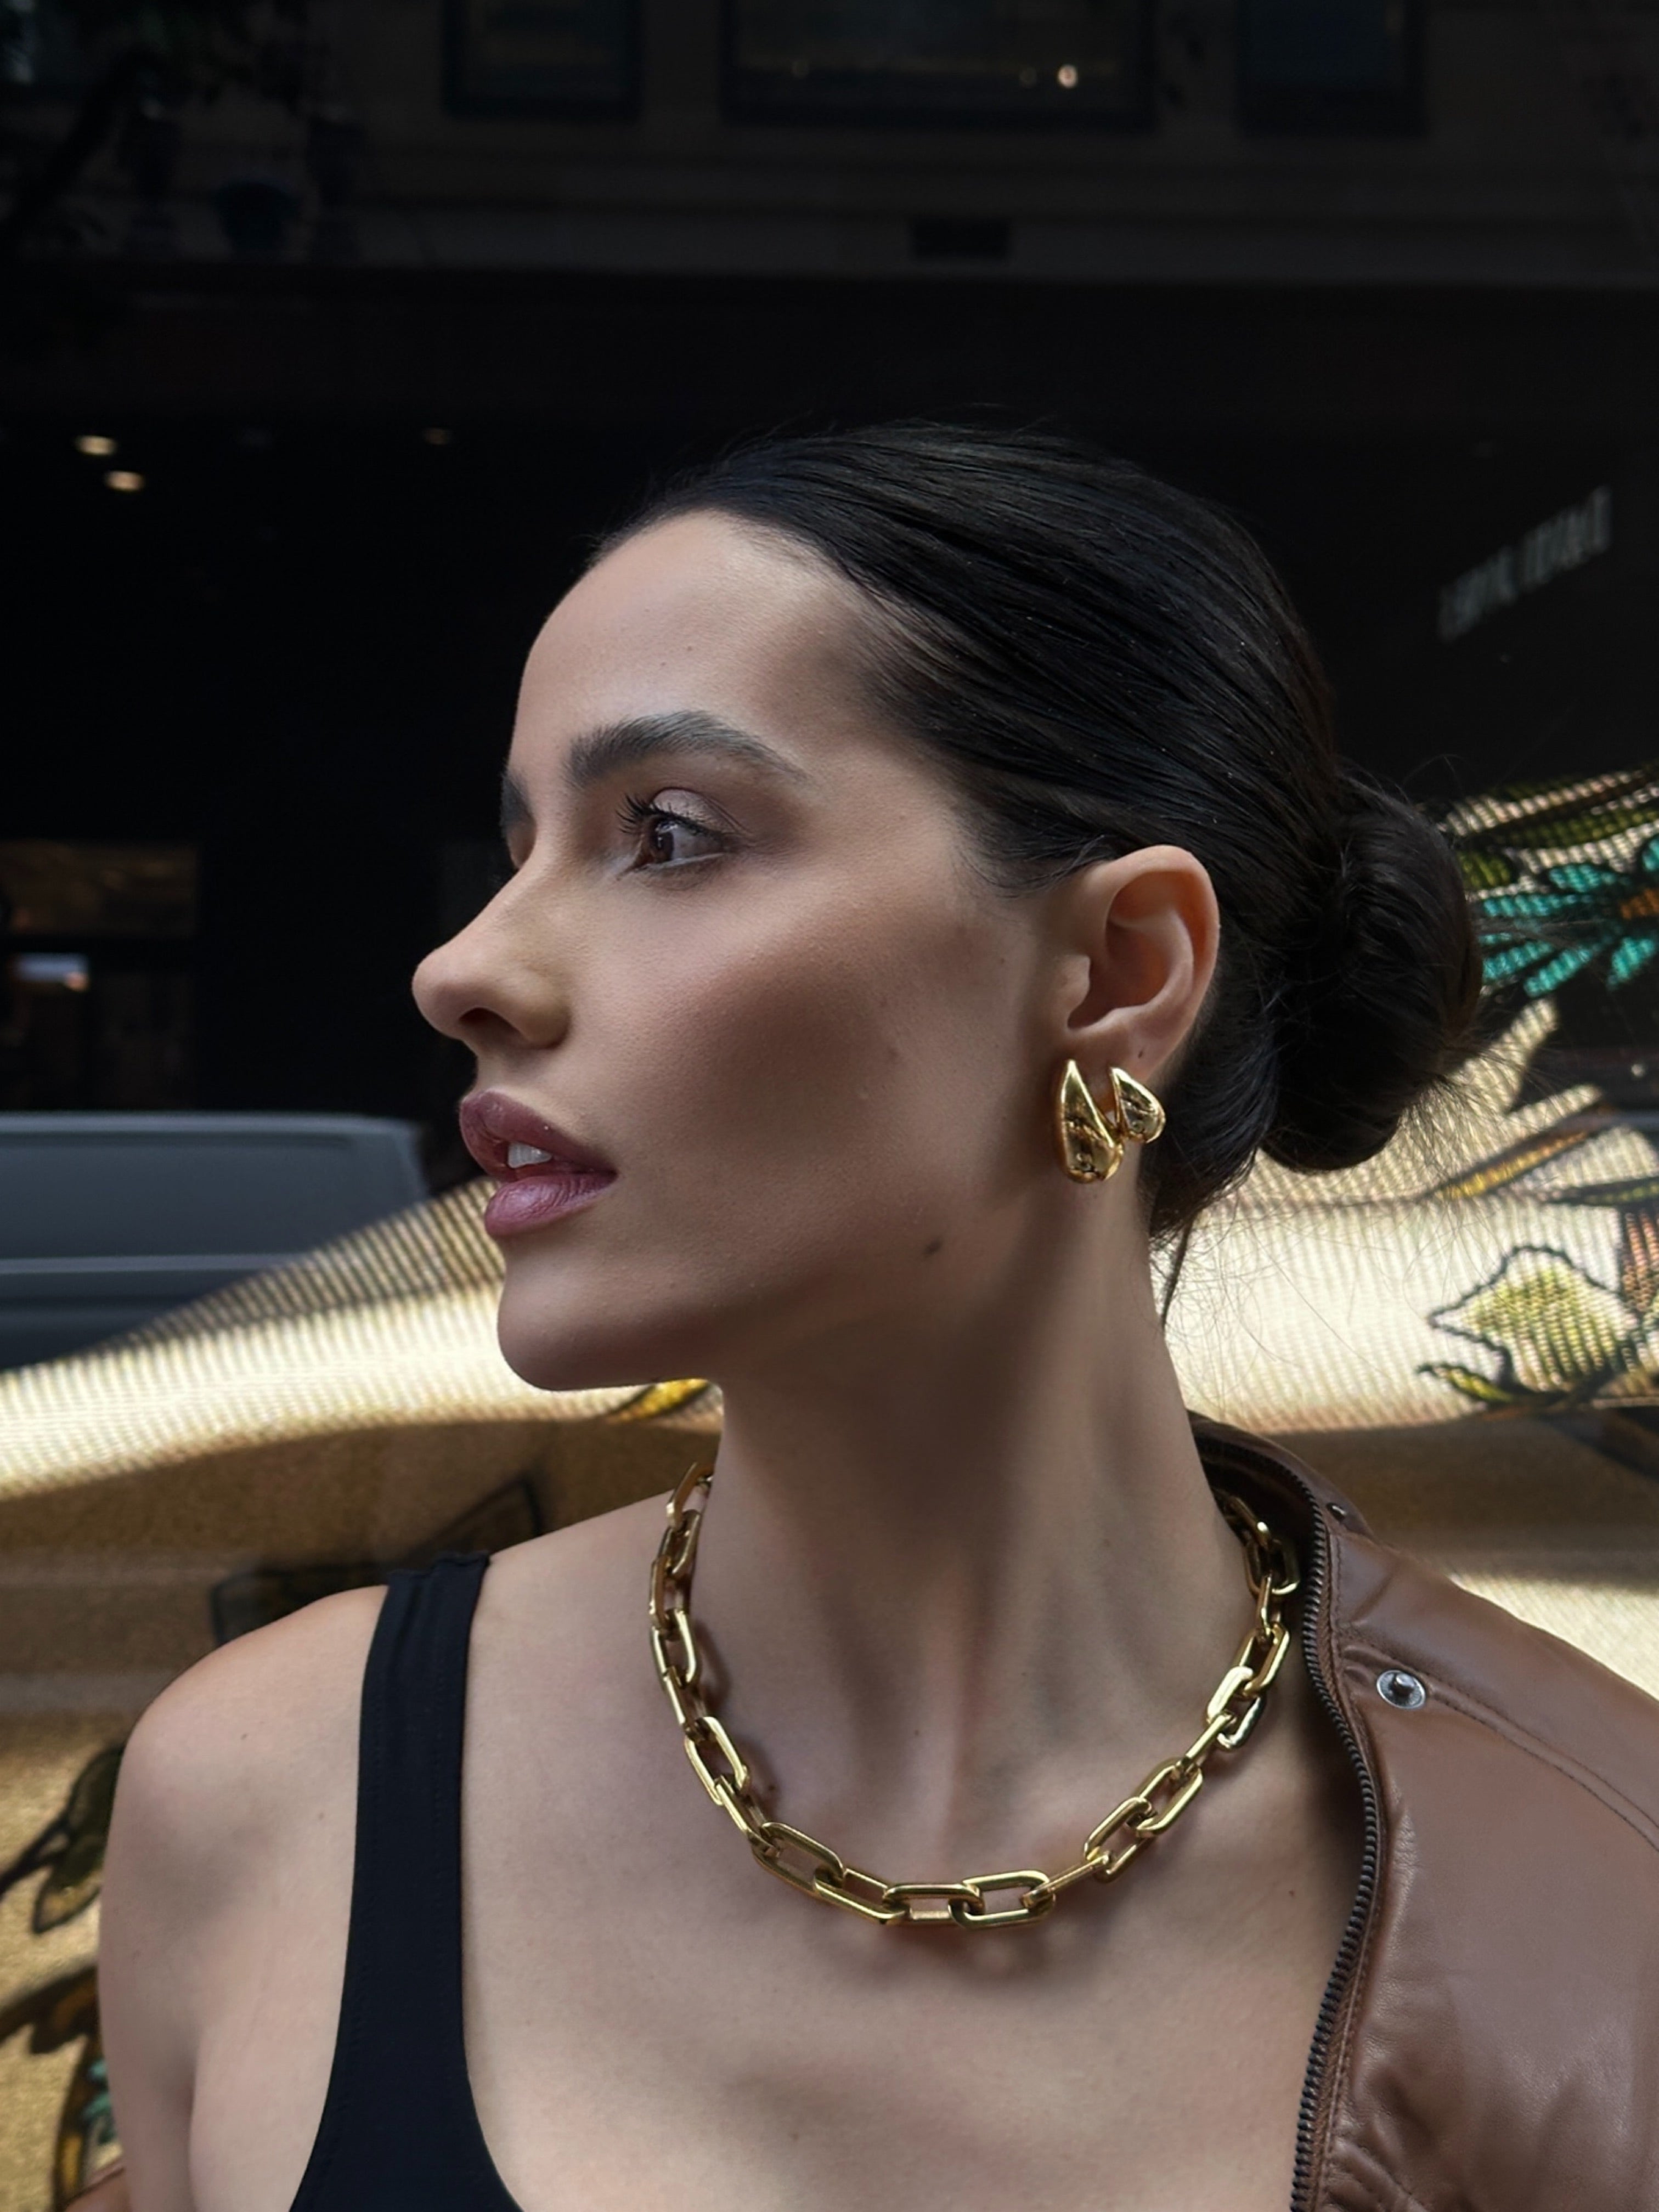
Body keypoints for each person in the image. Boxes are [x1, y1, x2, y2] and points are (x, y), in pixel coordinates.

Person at [97, 422, 1659, 2212]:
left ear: (1118, 972)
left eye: (667, 835)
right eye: (523, 846)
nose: (466, 971)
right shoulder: (270, 1801)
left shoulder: (1599, 1902)